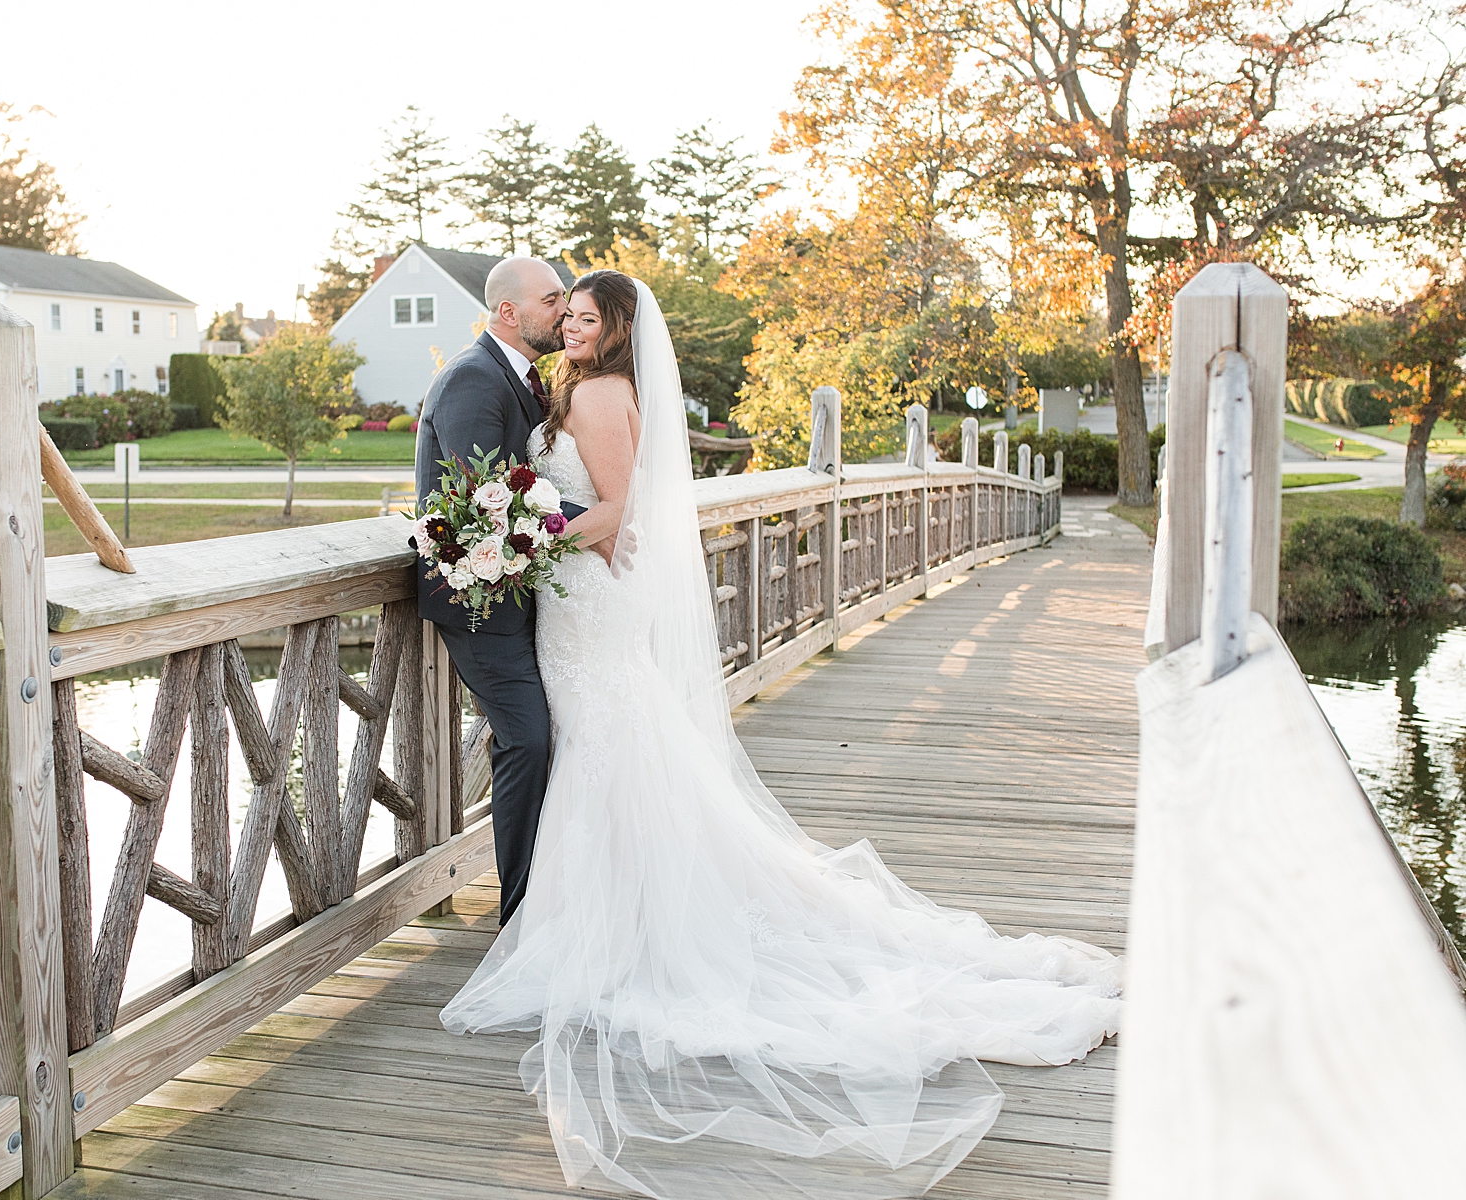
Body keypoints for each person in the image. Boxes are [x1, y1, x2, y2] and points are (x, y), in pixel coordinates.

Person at [440, 270, 1122, 1199]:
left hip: (584, 607)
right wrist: (530, 527)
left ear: (618, 330)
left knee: (605, 750)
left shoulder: (600, 394)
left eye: (586, 316)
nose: (570, 325)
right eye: (566, 313)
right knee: (611, 753)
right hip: (578, 604)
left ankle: (607, 925)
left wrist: (518, 537)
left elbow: (613, 512)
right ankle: (597, 911)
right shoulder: (581, 387)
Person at [413, 256, 576, 925]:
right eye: (551, 301)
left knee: (557, 734)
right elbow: (485, 505)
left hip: (525, 595)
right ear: (507, 311)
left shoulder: (525, 380)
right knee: (528, 740)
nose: (563, 312)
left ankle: (553, 898)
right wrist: (592, 521)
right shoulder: (473, 382)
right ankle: (521, 918)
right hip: (479, 603)